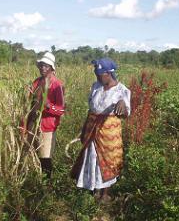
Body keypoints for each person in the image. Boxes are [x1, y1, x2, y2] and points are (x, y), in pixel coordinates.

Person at [71, 57, 131, 202]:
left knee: (108, 161)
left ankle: (105, 194)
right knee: (92, 158)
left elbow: (125, 111)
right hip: (92, 129)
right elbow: (90, 110)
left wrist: (122, 104)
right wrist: (84, 129)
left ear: (108, 73)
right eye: (96, 74)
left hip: (108, 133)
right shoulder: (95, 86)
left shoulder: (122, 90)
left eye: (100, 75)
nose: (97, 77)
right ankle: (91, 189)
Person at [22, 52, 65, 179]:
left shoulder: (57, 85)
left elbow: (61, 110)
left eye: (46, 66)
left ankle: (46, 186)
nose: (43, 68)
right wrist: (25, 125)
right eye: (41, 65)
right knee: (27, 154)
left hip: (47, 127)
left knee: (45, 158)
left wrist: (48, 106)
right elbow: (29, 105)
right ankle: (29, 180)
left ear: (52, 68)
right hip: (33, 124)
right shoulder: (36, 83)